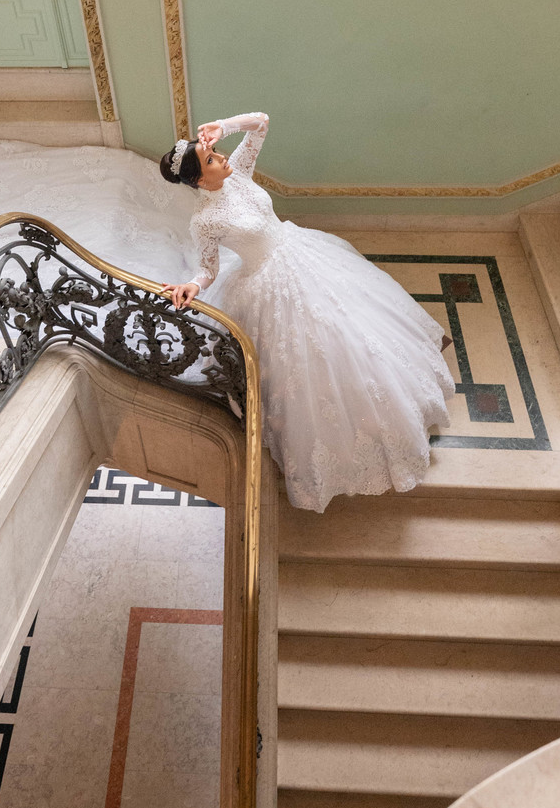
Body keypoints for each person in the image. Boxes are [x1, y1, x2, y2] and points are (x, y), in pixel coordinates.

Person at [159, 114, 454, 513]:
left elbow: (261, 123)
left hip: (302, 252)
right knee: (314, 357)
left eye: (216, 151)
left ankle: (399, 398)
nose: (221, 157)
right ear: (198, 180)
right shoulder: (204, 221)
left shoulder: (238, 172)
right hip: (267, 283)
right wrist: (194, 285)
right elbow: (208, 268)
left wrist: (223, 127)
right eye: (211, 159)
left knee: (356, 328)